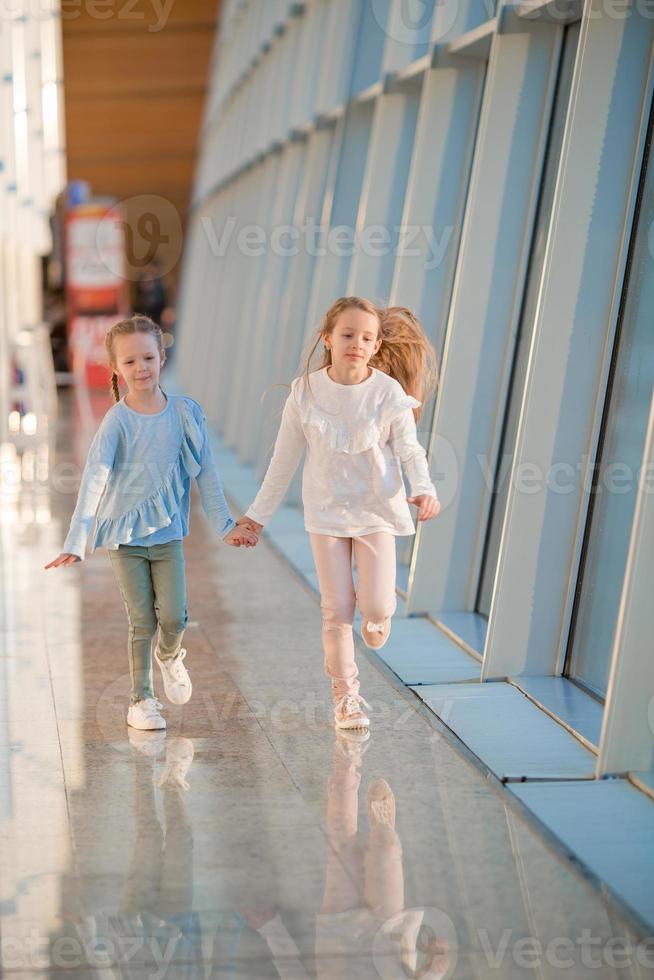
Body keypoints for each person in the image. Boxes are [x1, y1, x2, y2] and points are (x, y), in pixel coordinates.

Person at [45, 313, 258, 731]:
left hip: (168, 536)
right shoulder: (117, 422)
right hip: (123, 538)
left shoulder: (184, 414)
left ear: (162, 357)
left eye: (147, 358)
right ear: (116, 369)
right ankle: (141, 699)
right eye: (129, 362)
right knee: (142, 621)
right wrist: (76, 540)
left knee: (175, 618)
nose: (140, 368)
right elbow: (93, 481)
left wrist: (226, 525)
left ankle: (170, 655)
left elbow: (207, 474)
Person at [237, 297, 441, 731]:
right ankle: (346, 699)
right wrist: (256, 518)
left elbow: (410, 450)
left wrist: (423, 489)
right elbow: (283, 461)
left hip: (376, 513)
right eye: (347, 335)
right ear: (327, 339)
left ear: (376, 344)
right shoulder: (305, 392)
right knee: (336, 610)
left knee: (375, 606)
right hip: (327, 515)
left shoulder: (387, 393)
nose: (356, 343)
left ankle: (379, 616)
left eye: (366, 337)